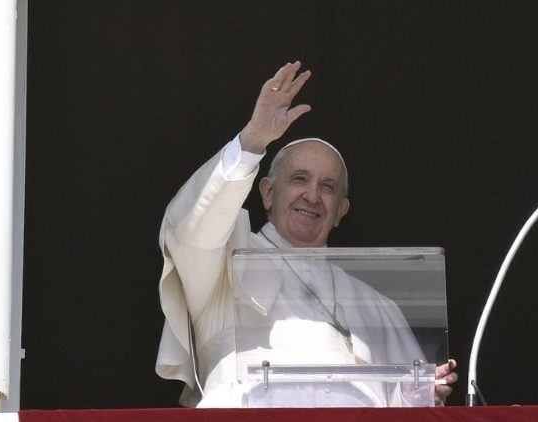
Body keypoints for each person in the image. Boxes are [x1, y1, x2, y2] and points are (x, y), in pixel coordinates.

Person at [155, 61, 458, 407]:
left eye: (327, 187)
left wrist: (417, 392)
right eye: (299, 179)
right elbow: (190, 227)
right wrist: (253, 140)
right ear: (267, 192)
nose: (312, 196)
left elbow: (406, 404)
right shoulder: (221, 267)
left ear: (341, 211)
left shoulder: (376, 304)